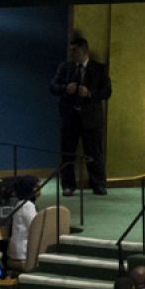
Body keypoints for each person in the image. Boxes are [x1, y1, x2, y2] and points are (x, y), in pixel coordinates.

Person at [51, 37, 111, 195]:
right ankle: (68, 185)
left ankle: (98, 184)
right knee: (68, 153)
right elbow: (53, 86)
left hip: (92, 118)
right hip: (70, 117)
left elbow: (107, 92)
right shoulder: (65, 67)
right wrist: (65, 88)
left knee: (94, 153)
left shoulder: (99, 69)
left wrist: (89, 93)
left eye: (74, 51)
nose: (71, 54)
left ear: (84, 51)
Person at [6, 175, 39, 269]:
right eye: (37, 187)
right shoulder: (27, 205)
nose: (40, 189)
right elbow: (35, 227)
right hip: (22, 253)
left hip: (18, 251)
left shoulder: (20, 203)